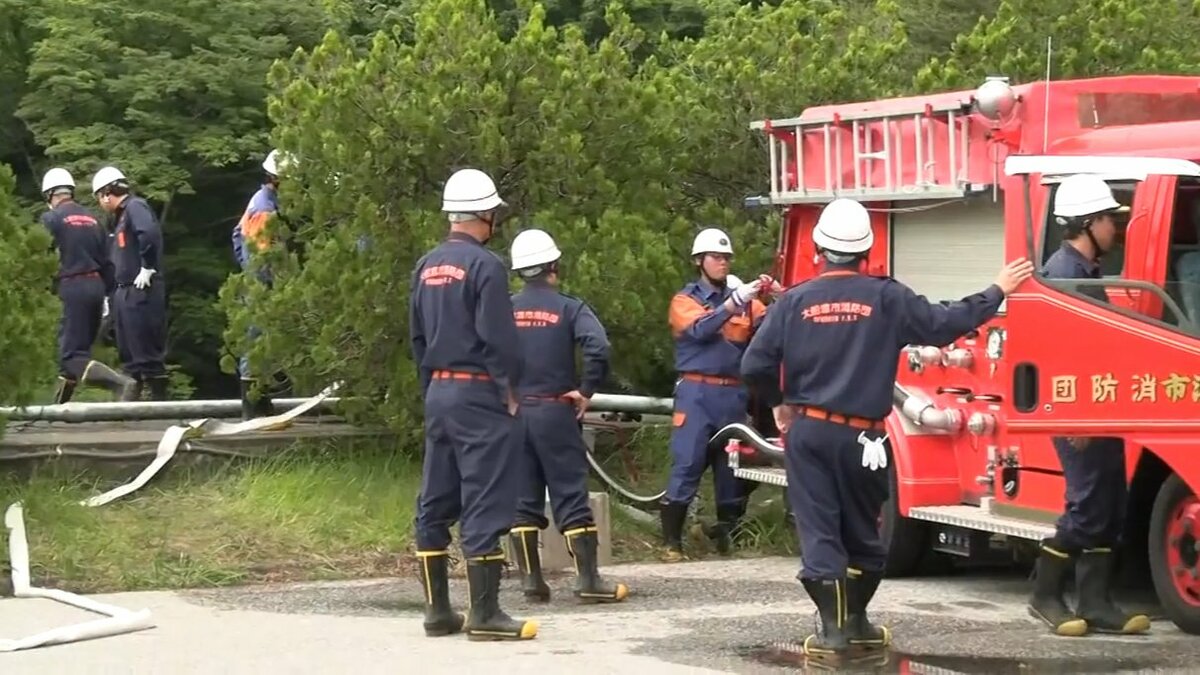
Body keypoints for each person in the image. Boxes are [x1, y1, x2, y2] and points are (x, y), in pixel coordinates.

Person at [739, 197, 1034, 662]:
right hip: (867, 437)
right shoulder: (888, 297)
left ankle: (833, 631)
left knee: (821, 529)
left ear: (818, 248)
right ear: (867, 250)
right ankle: (856, 622)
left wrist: (779, 405)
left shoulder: (793, 302)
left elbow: (754, 363)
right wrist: (996, 290)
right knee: (864, 531)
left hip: (811, 433)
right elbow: (945, 324)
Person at [409, 167, 536, 642]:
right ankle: (485, 613)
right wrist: (508, 390)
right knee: (485, 495)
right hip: (479, 391)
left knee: (436, 497)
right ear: (485, 213)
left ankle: (438, 612)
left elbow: (417, 335)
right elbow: (499, 338)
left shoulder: (426, 265)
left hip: (440, 390)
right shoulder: (486, 266)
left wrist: (432, 388)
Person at [1029, 174, 1151, 636]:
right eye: (1107, 220)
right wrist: (1072, 414)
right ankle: (1044, 596)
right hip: (1076, 410)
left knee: (1111, 506)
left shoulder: (1086, 273)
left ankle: (1096, 602)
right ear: (1086, 223)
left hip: (1098, 406)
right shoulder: (1064, 275)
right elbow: (1057, 353)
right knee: (1087, 507)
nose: (1114, 229)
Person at [505, 228, 629, 605]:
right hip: (555, 409)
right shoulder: (570, 307)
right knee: (569, 492)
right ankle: (588, 580)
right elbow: (598, 346)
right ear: (553, 266)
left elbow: (483, 351)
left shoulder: (503, 309)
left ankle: (531, 582)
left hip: (514, 413)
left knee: (523, 497)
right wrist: (587, 390)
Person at [660, 227, 773, 562]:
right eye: (716, 257)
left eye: (726, 258)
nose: (722, 263)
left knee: (731, 469)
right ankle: (672, 544)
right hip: (697, 393)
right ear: (699, 261)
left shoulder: (749, 305)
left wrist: (777, 296)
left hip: (733, 395)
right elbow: (699, 329)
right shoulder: (685, 300)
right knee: (687, 464)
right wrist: (732, 304)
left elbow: (771, 332)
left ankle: (726, 537)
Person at [39, 168, 137, 403]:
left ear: (51, 194)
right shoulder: (93, 220)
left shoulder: (51, 219)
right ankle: (57, 411)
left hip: (73, 286)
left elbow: (40, 257)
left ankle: (121, 383)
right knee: (74, 356)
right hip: (96, 288)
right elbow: (108, 262)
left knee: (72, 356)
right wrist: (109, 297)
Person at [91, 166, 169, 400]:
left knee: (146, 351)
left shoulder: (135, 207)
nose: (101, 203)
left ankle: (158, 403)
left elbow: (149, 234)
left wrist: (148, 265)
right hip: (123, 290)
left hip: (142, 287)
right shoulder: (118, 219)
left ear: (107, 193)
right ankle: (131, 406)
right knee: (129, 353)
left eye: (100, 197)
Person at [231, 149, 287, 419]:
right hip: (260, 284)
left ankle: (261, 404)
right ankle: (252, 412)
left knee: (262, 345)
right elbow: (265, 256)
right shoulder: (265, 209)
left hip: (256, 280)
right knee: (255, 343)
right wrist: (266, 281)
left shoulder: (263, 201)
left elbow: (236, 235)